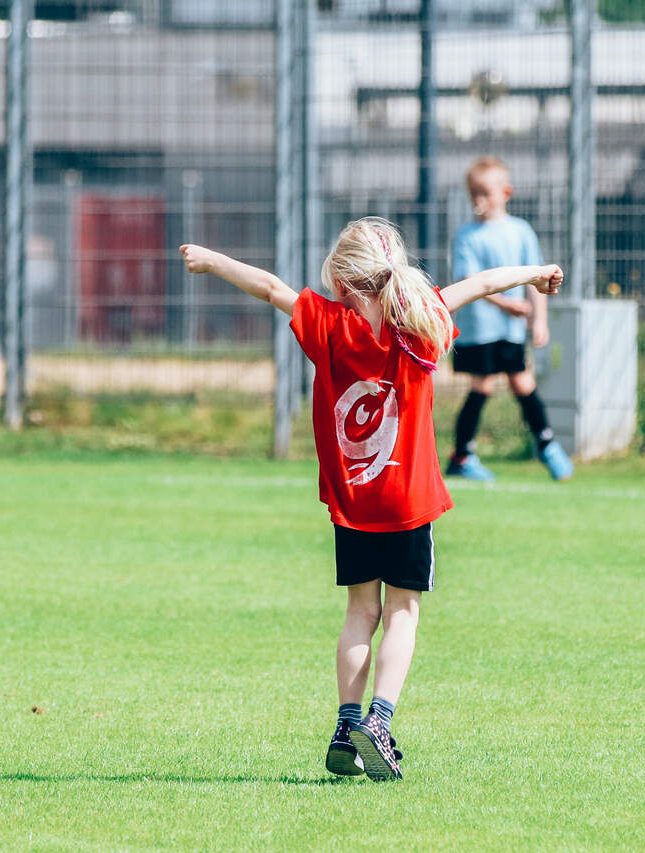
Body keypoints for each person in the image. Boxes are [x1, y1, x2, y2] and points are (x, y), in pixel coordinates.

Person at [180, 218, 562, 781]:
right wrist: (536, 274)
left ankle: (345, 726)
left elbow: (269, 287)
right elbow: (483, 283)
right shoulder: (421, 319)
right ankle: (378, 722)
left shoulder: (328, 324)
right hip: (408, 501)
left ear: (340, 278)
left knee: (360, 612)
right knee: (403, 612)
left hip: (353, 502)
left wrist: (212, 260)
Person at [445, 156, 571, 482]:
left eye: (485, 193)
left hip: (510, 330)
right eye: (474, 193)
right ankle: (462, 456)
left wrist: (539, 320)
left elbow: (537, 278)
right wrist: (505, 305)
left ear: (506, 193)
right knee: (483, 384)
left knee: (522, 382)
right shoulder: (467, 235)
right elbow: (470, 282)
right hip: (479, 329)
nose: (479, 200)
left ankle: (546, 444)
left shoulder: (520, 231)